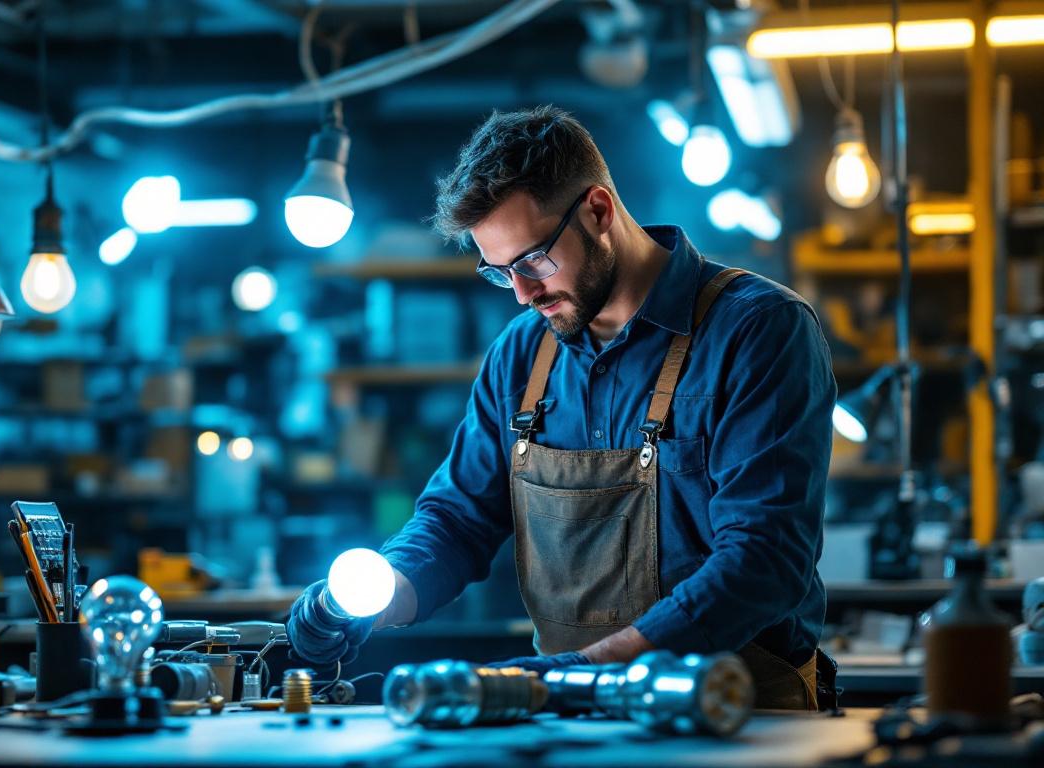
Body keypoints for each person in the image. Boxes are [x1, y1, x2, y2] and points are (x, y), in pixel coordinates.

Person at [287, 106, 836, 709]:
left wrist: (586, 671)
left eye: (533, 261)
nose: (523, 294)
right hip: (570, 714)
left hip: (737, 713)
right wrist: (379, 594)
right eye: (499, 274)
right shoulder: (521, 356)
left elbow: (765, 559)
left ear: (598, 211)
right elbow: (458, 521)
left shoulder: (757, 330)